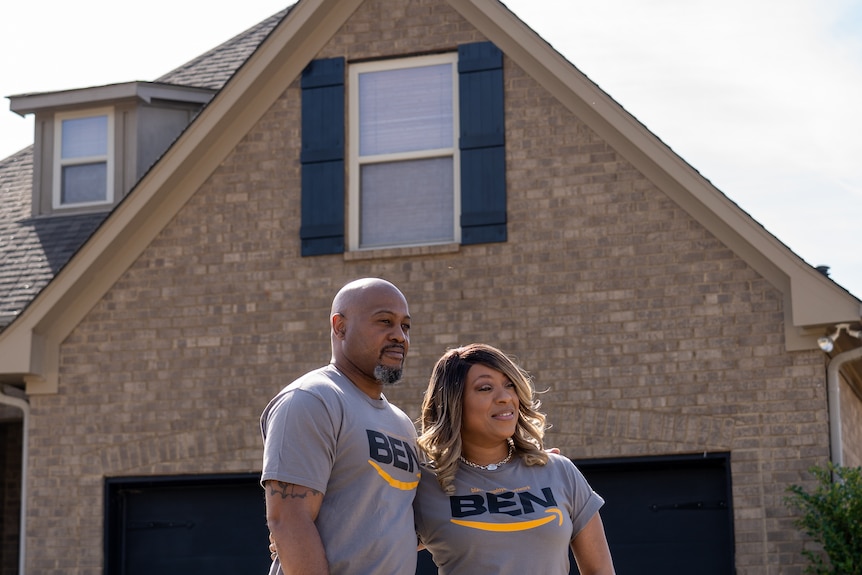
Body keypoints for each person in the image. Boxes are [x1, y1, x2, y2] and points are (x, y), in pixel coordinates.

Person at [260, 278, 420, 575]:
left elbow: (392, 522)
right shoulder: (311, 400)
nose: (399, 336)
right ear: (340, 326)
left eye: (405, 326)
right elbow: (288, 520)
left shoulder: (402, 423)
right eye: (385, 321)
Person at [414, 343, 616, 575]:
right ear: (453, 402)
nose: (505, 397)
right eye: (485, 388)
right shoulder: (426, 485)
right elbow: (380, 551)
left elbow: (600, 571)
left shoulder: (559, 472)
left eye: (510, 385)